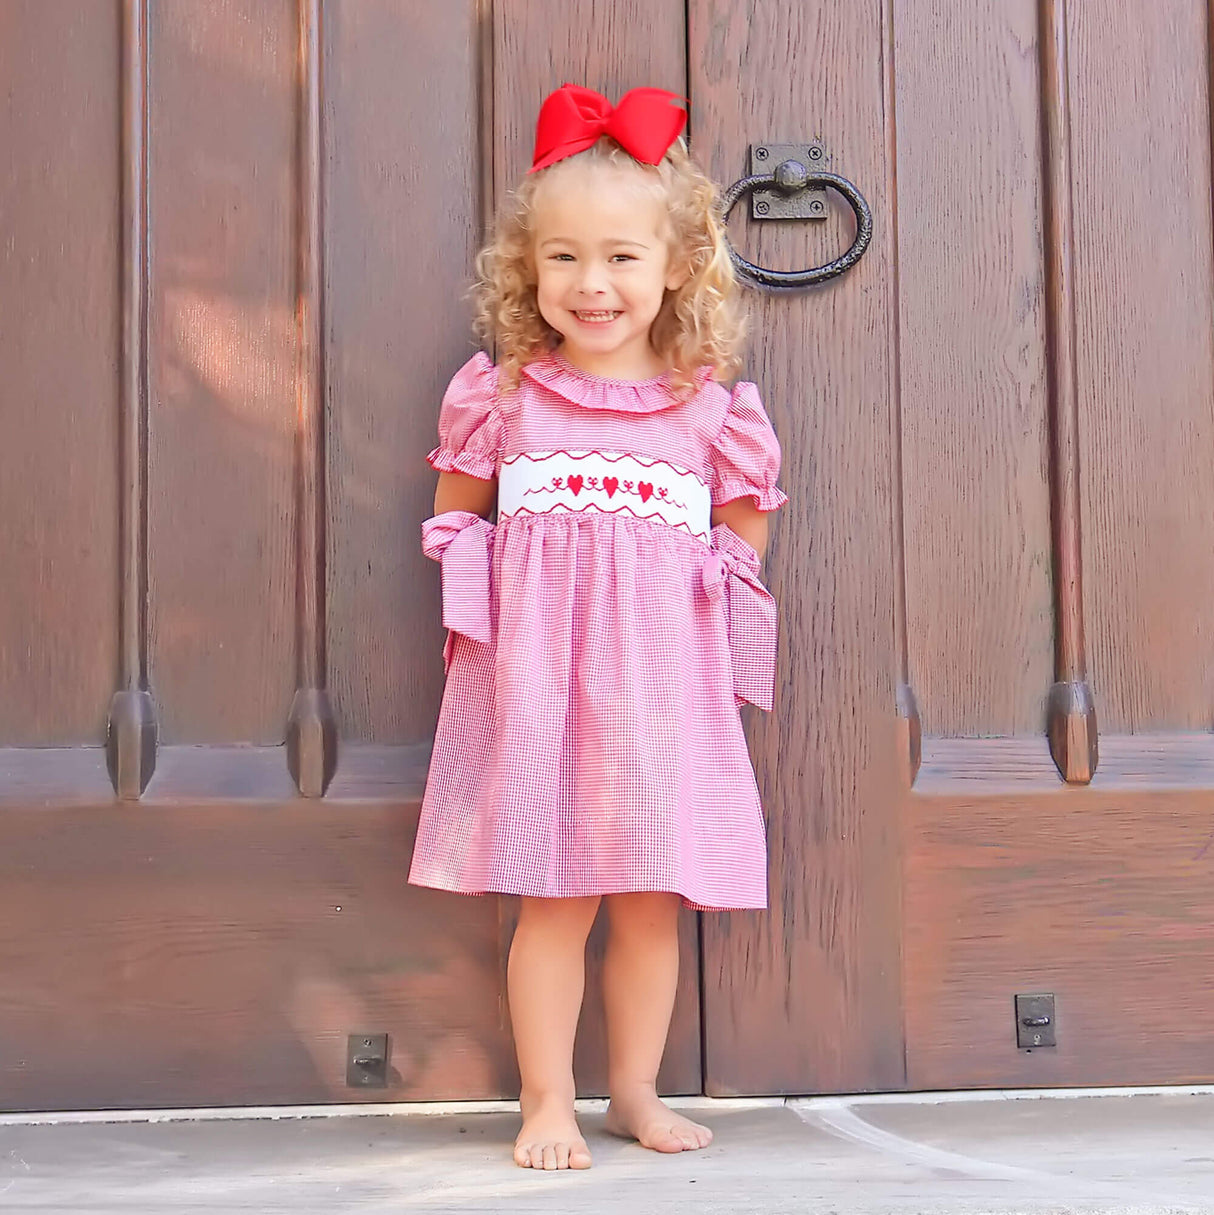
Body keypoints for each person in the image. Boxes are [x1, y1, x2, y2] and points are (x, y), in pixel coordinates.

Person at [409, 83, 787, 1171]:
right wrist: (501, 637)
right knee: (552, 903)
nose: (593, 282)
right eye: (564, 257)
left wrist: (695, 624)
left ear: (675, 267)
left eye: (621, 257)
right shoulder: (507, 397)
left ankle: (633, 1089)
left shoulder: (706, 406)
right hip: (535, 684)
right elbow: (454, 524)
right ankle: (544, 1101)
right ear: (529, 268)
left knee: (649, 904)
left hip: (658, 688)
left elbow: (741, 536)